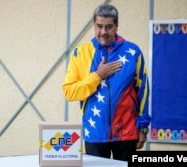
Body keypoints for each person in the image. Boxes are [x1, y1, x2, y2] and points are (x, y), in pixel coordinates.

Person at [62, 4, 151, 161]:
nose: (103, 32)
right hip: (95, 133)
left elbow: (143, 91)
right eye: (99, 26)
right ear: (94, 25)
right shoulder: (80, 53)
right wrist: (97, 76)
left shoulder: (133, 52)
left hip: (126, 133)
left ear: (116, 26)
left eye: (109, 27)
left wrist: (143, 127)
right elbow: (70, 92)